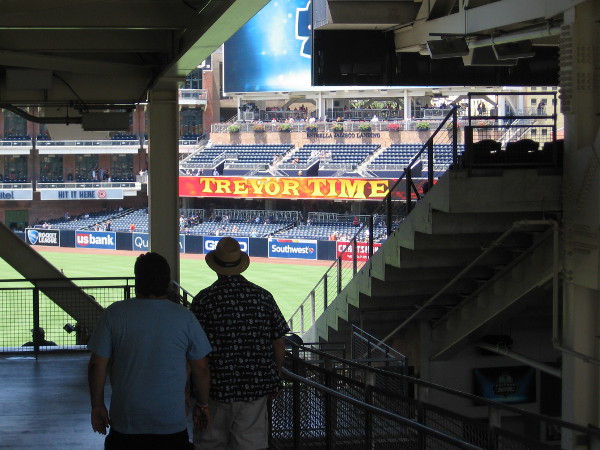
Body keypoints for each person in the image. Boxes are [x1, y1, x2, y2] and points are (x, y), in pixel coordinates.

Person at [87, 252, 212, 450]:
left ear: (138, 281)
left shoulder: (114, 313)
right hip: (171, 425)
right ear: (167, 282)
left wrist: (97, 405)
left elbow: (97, 365)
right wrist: (203, 404)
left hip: (125, 425)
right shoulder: (185, 317)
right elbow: (201, 368)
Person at [190, 237, 289, 450]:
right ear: (240, 265)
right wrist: (275, 378)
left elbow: (195, 353)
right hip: (255, 390)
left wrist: (197, 396)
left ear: (215, 266)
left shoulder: (203, 300)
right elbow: (279, 343)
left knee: (210, 444)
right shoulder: (263, 297)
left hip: (214, 391)